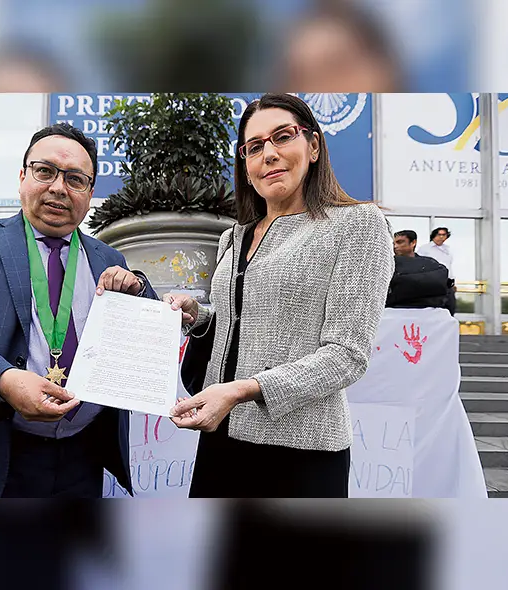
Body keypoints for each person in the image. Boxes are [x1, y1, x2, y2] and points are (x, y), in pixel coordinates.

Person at [0, 123, 158, 498]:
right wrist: (4, 379)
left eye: (75, 179)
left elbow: (143, 332)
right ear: (23, 176)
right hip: (0, 450)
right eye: (45, 171)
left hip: (84, 453)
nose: (58, 187)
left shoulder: (107, 256)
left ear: (90, 193)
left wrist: (139, 287)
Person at [164, 93, 393, 498]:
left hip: (299, 449)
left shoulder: (358, 225)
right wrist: (197, 316)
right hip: (221, 436)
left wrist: (241, 390)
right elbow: (245, 317)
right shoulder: (233, 237)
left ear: (314, 146)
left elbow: (347, 354)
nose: (268, 154)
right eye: (254, 147)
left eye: (282, 137)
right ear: (245, 165)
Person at [388, 230, 450, 309]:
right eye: (394, 243)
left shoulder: (429, 264)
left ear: (413, 243)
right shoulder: (388, 264)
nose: (395, 246)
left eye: (400, 242)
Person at [417, 227, 456, 315]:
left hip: (447, 282)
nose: (441, 237)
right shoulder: (425, 249)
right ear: (434, 235)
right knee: (434, 308)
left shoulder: (447, 249)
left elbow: (449, 266)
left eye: (444, 235)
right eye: (439, 235)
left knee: (450, 307)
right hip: (433, 282)